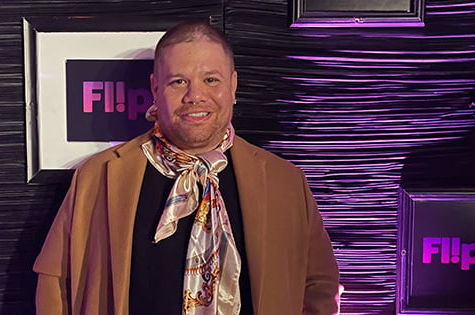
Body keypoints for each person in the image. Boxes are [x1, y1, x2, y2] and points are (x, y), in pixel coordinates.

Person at [33, 19, 340, 315]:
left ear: (233, 84)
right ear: (155, 87)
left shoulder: (284, 182)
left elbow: (319, 285)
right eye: (178, 81)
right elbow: (55, 281)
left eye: (211, 79)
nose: (195, 96)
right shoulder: (98, 177)